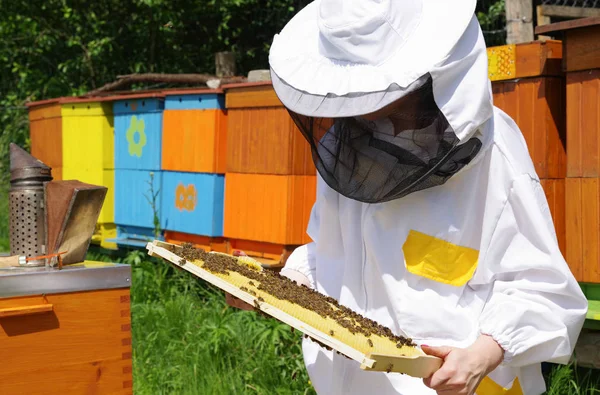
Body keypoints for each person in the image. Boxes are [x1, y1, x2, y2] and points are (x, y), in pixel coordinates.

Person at [227, 1, 589, 394]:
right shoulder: (347, 145)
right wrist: (274, 286)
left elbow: (542, 289)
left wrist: (483, 354)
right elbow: (333, 255)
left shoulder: (494, 153)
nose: (360, 105)